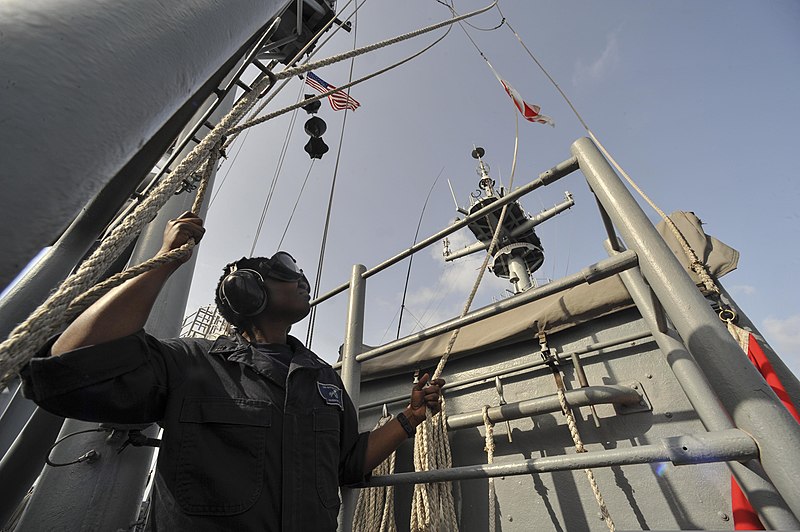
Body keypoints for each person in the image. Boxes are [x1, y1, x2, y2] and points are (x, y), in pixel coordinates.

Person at [22, 211, 444, 531]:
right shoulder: (189, 363)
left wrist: (410, 417)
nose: (301, 280)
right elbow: (71, 366)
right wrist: (164, 262)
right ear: (247, 288)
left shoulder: (323, 380)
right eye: (285, 273)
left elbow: (347, 464)